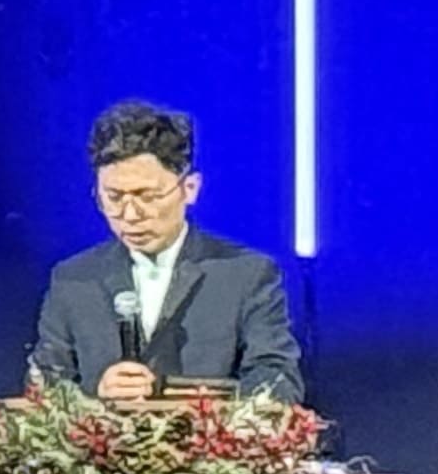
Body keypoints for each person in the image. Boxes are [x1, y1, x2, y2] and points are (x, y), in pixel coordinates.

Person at [28, 99, 305, 403]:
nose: (130, 215)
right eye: (114, 197)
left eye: (147, 196)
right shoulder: (73, 279)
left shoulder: (246, 275)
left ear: (190, 188)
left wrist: (204, 410)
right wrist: (93, 396)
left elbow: (277, 381)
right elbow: (44, 390)